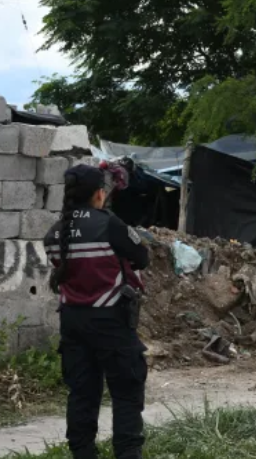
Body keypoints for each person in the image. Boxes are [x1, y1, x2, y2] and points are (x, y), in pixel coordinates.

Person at [44, 165, 150, 459]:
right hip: (111, 321)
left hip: (73, 322)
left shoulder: (54, 234)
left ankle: (83, 453)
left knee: (81, 394)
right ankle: (127, 454)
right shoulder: (108, 224)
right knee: (127, 392)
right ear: (99, 194)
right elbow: (142, 256)